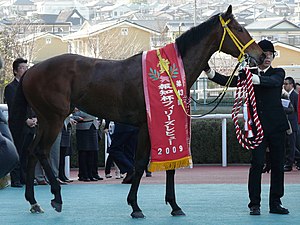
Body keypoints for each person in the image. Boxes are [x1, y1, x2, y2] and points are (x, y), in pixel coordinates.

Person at [204, 40, 289, 215]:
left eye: (270, 54)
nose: (267, 57)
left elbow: (272, 82)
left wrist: (252, 78)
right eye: (264, 54)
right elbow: (229, 81)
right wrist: (210, 72)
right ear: (257, 57)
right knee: (257, 164)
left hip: (277, 127)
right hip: (257, 129)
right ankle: (254, 204)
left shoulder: (278, 73)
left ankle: (275, 203)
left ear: (273, 56)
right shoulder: (248, 74)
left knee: (278, 165)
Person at [4, 58, 37, 187]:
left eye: (26, 67)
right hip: (18, 126)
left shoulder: (29, 86)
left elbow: (33, 105)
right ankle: (16, 179)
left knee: (28, 152)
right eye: (22, 68)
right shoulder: (10, 88)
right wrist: (25, 120)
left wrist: (35, 118)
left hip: (31, 125)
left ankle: (24, 177)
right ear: (15, 71)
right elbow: (14, 107)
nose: (25, 70)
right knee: (17, 151)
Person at [74, 110, 103, 182]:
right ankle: (84, 175)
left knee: (92, 152)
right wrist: (78, 117)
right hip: (83, 128)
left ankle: (91, 174)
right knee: (83, 152)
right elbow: (74, 115)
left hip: (93, 127)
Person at [283, 77, 298, 172]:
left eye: (286, 84)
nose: (284, 86)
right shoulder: (284, 95)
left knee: (292, 145)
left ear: (292, 85)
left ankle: (289, 164)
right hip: (286, 123)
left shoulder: (295, 95)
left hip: (292, 123)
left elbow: (296, 110)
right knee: (288, 144)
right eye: (284, 84)